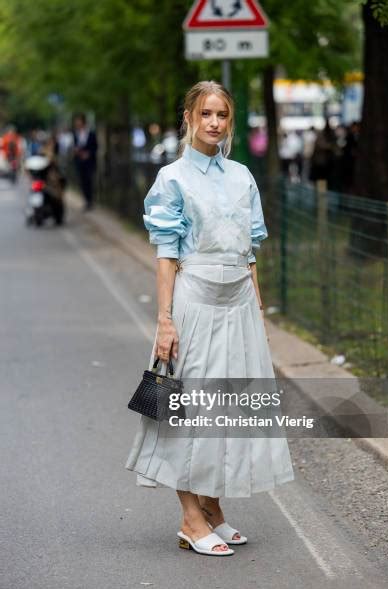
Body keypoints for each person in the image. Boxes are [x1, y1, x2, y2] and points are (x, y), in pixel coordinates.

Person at [124, 81, 294, 557]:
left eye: (222, 114)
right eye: (206, 114)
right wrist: (165, 320)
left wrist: (257, 309)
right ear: (189, 118)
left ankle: (213, 509)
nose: (214, 123)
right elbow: (166, 254)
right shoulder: (173, 178)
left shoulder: (242, 176)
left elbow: (250, 250)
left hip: (238, 302)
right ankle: (189, 517)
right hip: (193, 300)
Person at [72, 113, 98, 210]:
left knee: (89, 180)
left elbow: (95, 147)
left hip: (89, 162)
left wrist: (88, 154)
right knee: (82, 181)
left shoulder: (91, 134)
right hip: (80, 162)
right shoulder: (76, 134)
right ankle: (86, 200)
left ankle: (90, 200)